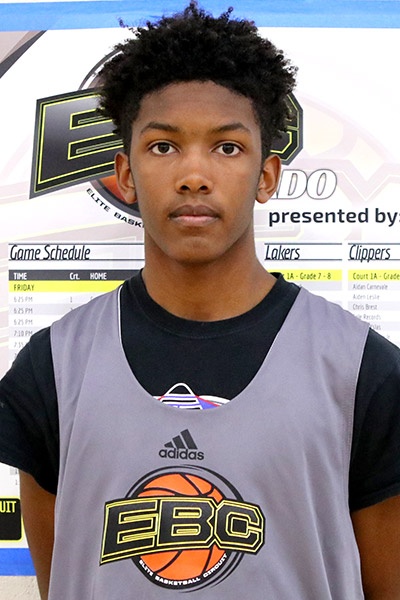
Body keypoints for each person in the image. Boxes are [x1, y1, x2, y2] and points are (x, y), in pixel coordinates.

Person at [1, 3, 400, 599]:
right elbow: (65, 579)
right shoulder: (53, 368)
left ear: (267, 176)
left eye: (227, 148)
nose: (193, 175)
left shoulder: (362, 371)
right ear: (125, 174)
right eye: (163, 147)